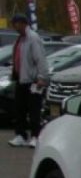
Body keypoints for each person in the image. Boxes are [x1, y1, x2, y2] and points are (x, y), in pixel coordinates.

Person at [7, 14, 49, 148]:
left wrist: (42, 77)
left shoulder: (33, 38)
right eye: (14, 24)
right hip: (21, 80)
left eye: (16, 24)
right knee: (19, 110)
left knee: (34, 111)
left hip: (33, 81)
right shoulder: (21, 39)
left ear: (24, 23)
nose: (15, 27)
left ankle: (36, 136)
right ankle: (21, 135)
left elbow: (40, 59)